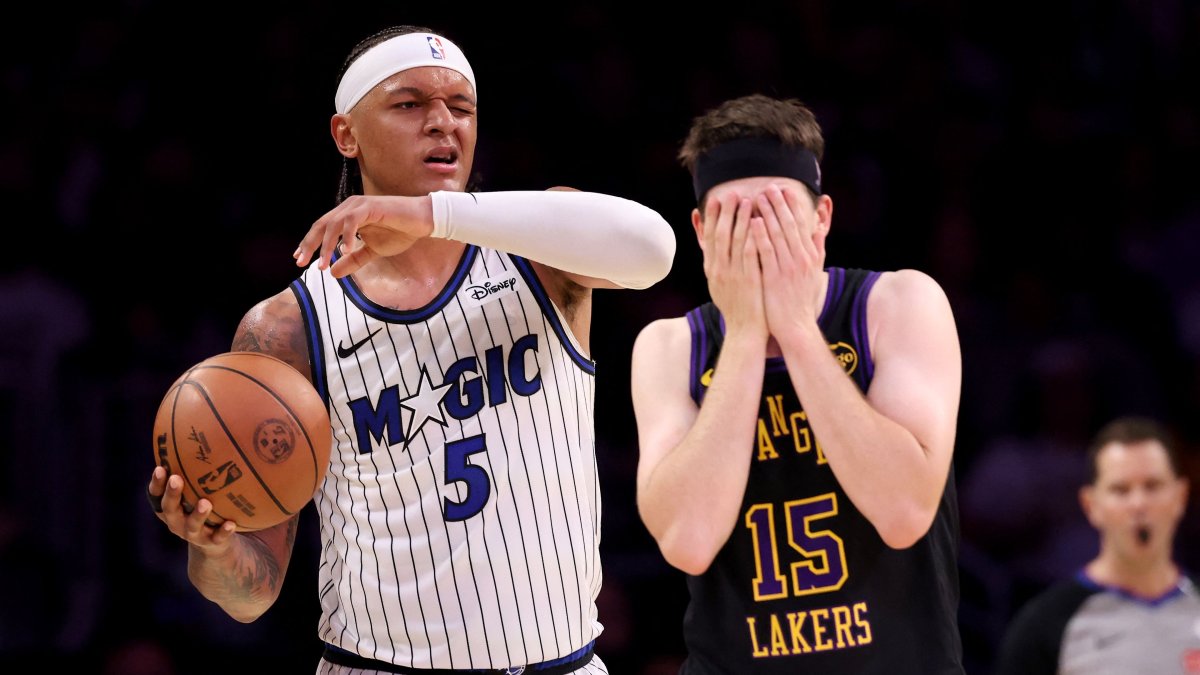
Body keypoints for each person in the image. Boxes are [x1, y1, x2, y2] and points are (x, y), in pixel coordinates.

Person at [146, 25, 676, 674]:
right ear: (346, 134)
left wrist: (432, 216)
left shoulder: (543, 243)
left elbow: (655, 250)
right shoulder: (287, 324)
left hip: (560, 662)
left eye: (461, 107)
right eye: (409, 103)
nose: (442, 122)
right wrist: (214, 548)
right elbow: (250, 596)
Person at [629, 93, 965, 673]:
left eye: (777, 211)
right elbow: (688, 541)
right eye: (734, 217)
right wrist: (744, 334)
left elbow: (904, 512)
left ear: (822, 218)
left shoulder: (899, 304)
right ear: (702, 231)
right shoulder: (669, 346)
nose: (758, 234)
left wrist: (796, 329)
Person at [992, 415, 1200, 675]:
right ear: (1091, 505)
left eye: (1152, 486)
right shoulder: (1045, 625)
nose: (1138, 504)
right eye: (1120, 490)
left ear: (1180, 496)